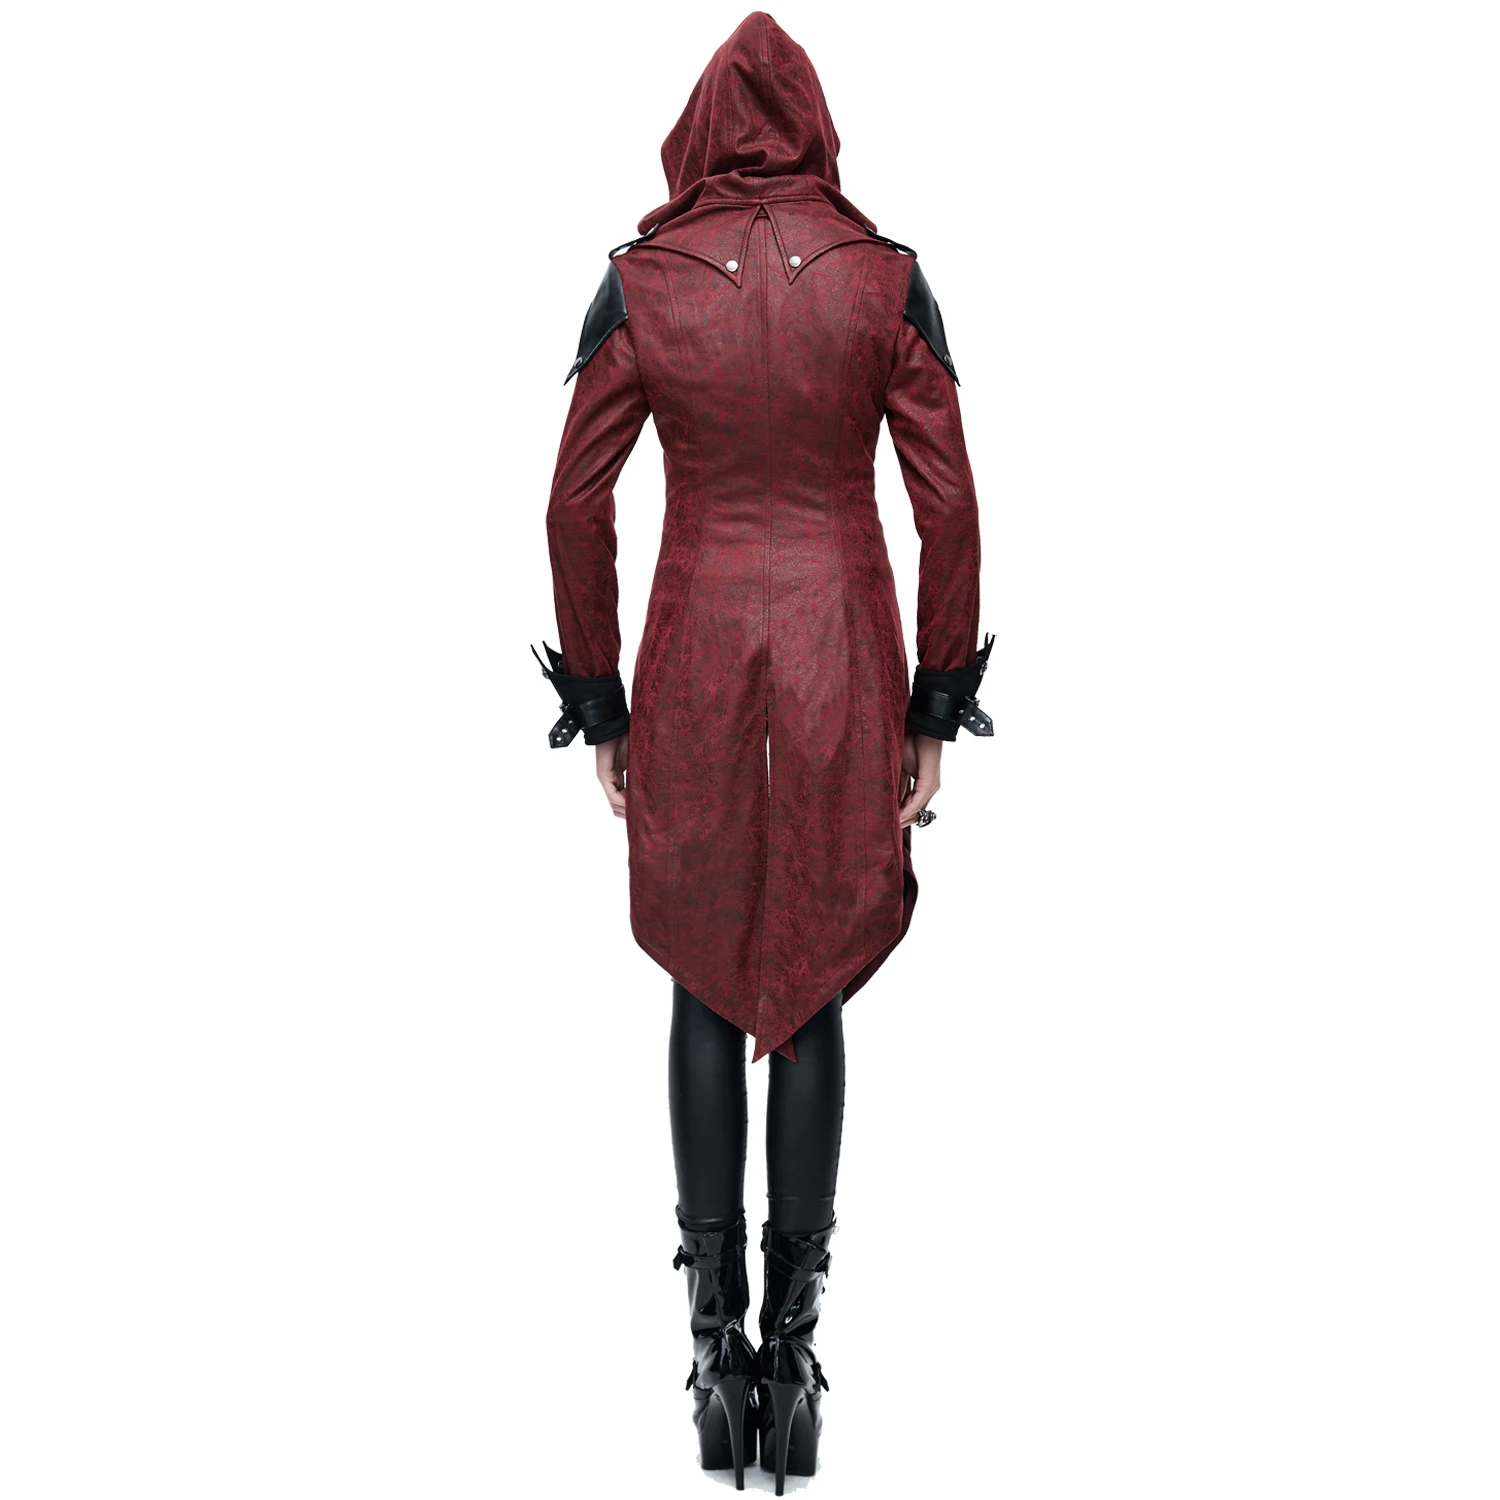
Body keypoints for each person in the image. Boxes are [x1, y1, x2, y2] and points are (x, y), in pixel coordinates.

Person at [534, 13, 991, 1491]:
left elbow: (576, 503)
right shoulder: (885, 277)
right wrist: (934, 702)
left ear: (699, 127)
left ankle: (710, 1352)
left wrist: (601, 698)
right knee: (810, 979)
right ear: (815, 127)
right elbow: (949, 505)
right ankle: (792, 1360)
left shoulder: (641, 281)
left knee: (702, 970)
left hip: (696, 647)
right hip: (845, 648)